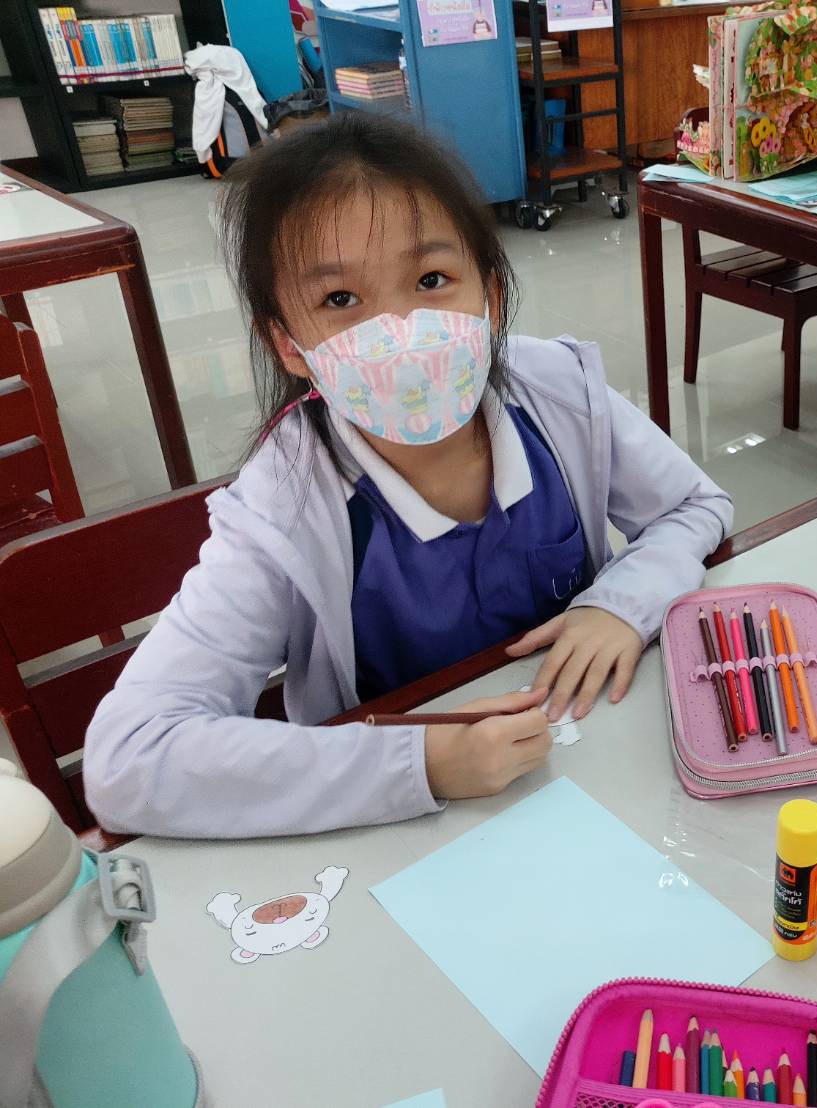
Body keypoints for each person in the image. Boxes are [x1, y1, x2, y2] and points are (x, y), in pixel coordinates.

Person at [84, 114, 733, 838]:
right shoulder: (282, 508)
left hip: (593, 768)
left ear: (489, 297)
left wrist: (619, 604)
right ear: (289, 345)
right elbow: (128, 758)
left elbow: (693, 506)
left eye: (430, 280)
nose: (399, 331)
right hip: (405, 832)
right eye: (340, 300)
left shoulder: (558, 390)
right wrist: (422, 762)